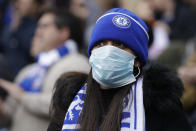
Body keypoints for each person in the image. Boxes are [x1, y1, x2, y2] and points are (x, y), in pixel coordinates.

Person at [61, 8, 192, 131]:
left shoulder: (159, 105)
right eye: (100, 44)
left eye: (120, 45)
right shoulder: (70, 99)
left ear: (137, 60)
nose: (108, 51)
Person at [0, 9, 87, 131]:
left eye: (44, 26)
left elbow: (67, 106)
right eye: (37, 27)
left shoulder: (76, 63)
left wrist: (23, 96)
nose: (37, 32)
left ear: (63, 32)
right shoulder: (29, 70)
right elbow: (8, 117)